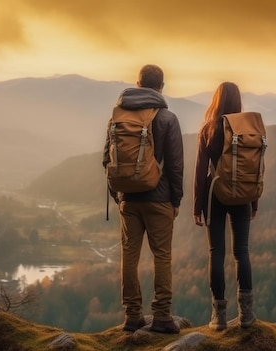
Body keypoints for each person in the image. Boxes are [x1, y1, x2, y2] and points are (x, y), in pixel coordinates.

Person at [103, 64, 184, 334]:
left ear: (138, 84)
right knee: (162, 256)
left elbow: (107, 159)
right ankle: (161, 316)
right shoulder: (167, 118)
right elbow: (175, 166)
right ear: (161, 87)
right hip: (159, 199)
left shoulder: (118, 116)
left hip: (128, 199)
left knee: (129, 255)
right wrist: (176, 200)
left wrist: (119, 193)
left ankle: (133, 316)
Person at [193, 81, 257, 330]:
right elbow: (254, 168)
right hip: (242, 194)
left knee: (216, 253)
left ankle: (218, 317)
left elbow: (200, 171)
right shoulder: (248, 129)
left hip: (214, 194)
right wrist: (254, 200)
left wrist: (197, 206)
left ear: (216, 100)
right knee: (242, 252)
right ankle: (246, 315)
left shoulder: (208, 129)